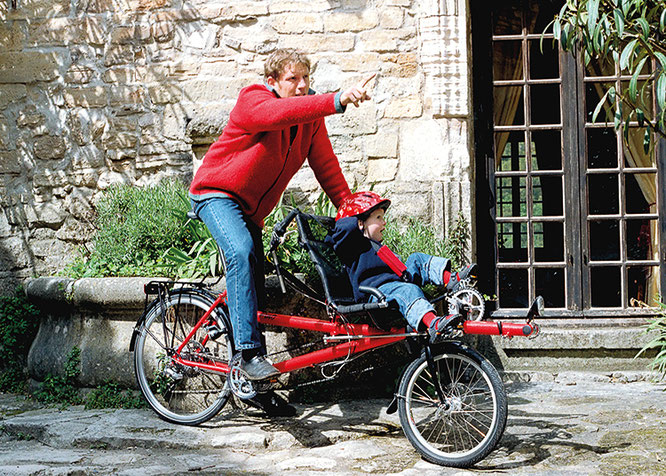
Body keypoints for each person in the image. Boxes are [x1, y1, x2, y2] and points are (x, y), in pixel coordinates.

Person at [189, 49, 375, 414]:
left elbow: (327, 167)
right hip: (216, 195)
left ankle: (252, 390)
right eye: (293, 79)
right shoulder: (253, 100)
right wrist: (337, 99)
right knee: (241, 254)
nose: (302, 86)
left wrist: (354, 211)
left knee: (255, 285)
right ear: (272, 82)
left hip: (250, 211)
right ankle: (246, 356)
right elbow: (275, 115)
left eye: (306, 78)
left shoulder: (310, 121)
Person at [330, 191, 477, 343]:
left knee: (416, 259)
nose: (384, 222)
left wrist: (366, 219)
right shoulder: (352, 246)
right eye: (378, 218)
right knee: (407, 291)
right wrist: (357, 218)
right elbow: (342, 229)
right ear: (360, 223)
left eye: (383, 218)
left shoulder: (375, 246)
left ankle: (452, 280)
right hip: (377, 294)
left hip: (395, 284)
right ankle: (434, 324)